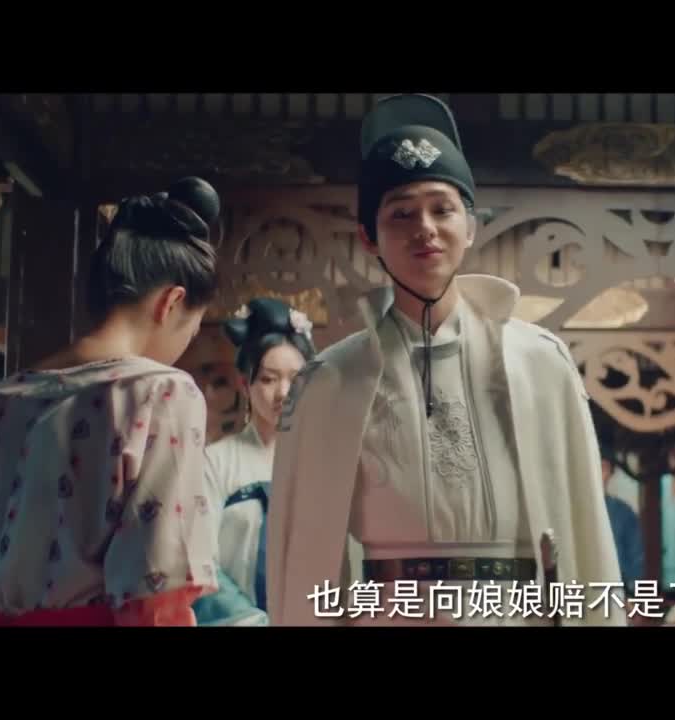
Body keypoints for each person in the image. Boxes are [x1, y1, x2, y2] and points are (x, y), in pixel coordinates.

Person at [266, 94, 626, 626]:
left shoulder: (539, 363)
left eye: (443, 209)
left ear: (471, 225)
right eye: (401, 213)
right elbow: (304, 564)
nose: (425, 228)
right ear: (369, 237)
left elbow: (585, 532)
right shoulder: (331, 381)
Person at [0, 177, 223, 626]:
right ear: (170, 303)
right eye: (192, 328)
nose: (186, 343)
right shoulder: (161, 394)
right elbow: (154, 595)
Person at [191, 297, 316, 626]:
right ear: (245, 384)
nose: (283, 392)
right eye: (269, 379)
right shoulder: (214, 463)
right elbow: (198, 561)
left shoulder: (325, 466)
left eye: (295, 378)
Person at [600, 446, 644, 587]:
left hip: (616, 591)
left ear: (611, 472)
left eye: (603, 467)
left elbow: (636, 563)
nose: (596, 473)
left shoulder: (623, 513)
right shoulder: (571, 510)